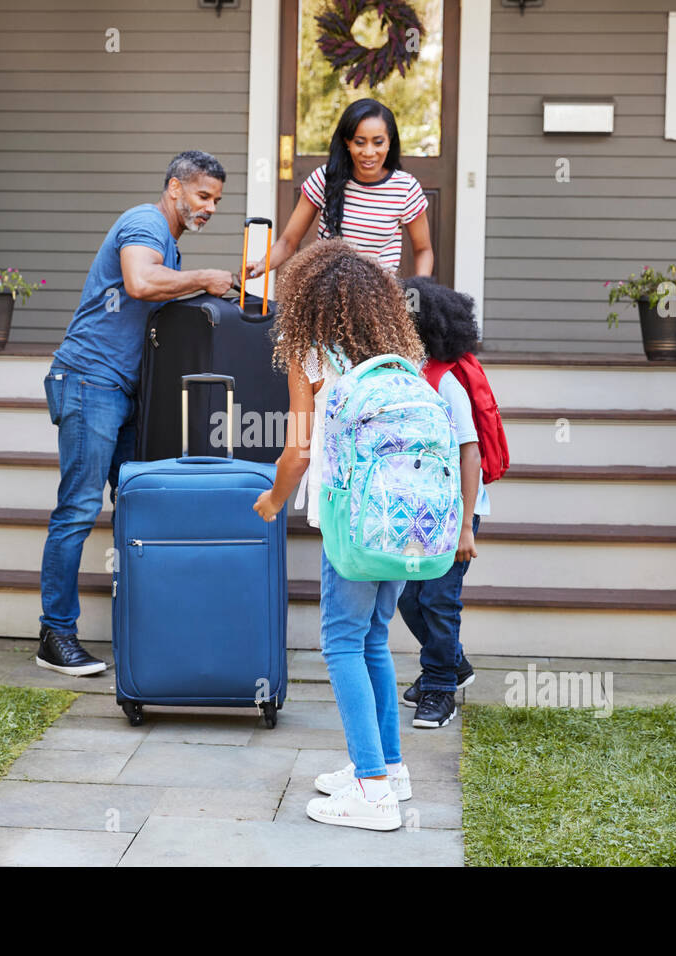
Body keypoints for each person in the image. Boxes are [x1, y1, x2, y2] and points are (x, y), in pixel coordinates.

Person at [37, 151, 236, 676]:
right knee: (78, 509)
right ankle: (54, 634)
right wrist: (206, 277)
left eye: (216, 200)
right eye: (202, 196)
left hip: (121, 391)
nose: (210, 207)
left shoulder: (167, 243)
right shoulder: (145, 222)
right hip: (87, 380)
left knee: (135, 506)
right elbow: (141, 284)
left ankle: (143, 630)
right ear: (175, 188)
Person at [252, 239, 429, 831]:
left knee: (342, 642)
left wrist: (272, 501)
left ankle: (372, 792)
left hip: (353, 524)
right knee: (373, 637)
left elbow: (297, 450)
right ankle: (387, 768)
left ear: (308, 299)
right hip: (402, 524)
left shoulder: (308, 353)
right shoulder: (396, 355)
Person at [396, 277, 489, 729]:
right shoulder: (404, 374)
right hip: (419, 512)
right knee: (409, 599)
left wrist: (466, 526)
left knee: (437, 599)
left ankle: (438, 687)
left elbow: (470, 452)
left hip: (455, 511)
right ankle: (454, 663)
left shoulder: (446, 380)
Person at [245, 98, 432, 281]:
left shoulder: (406, 188)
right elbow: (288, 242)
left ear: (389, 142)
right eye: (360, 142)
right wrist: (262, 265)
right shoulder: (324, 178)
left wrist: (422, 293)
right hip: (327, 292)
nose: (368, 152)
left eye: (378, 142)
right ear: (347, 143)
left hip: (380, 298)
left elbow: (423, 250)